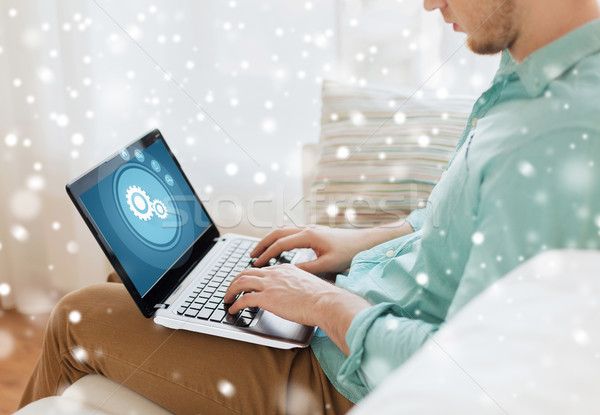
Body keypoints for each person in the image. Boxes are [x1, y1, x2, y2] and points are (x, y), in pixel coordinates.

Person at [20, 0, 600, 413]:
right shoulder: (528, 72)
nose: (428, 4)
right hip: (351, 318)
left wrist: (325, 305)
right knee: (150, 289)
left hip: (344, 382)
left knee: (76, 316)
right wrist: (359, 244)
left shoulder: (555, 135)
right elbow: (457, 227)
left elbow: (471, 373)